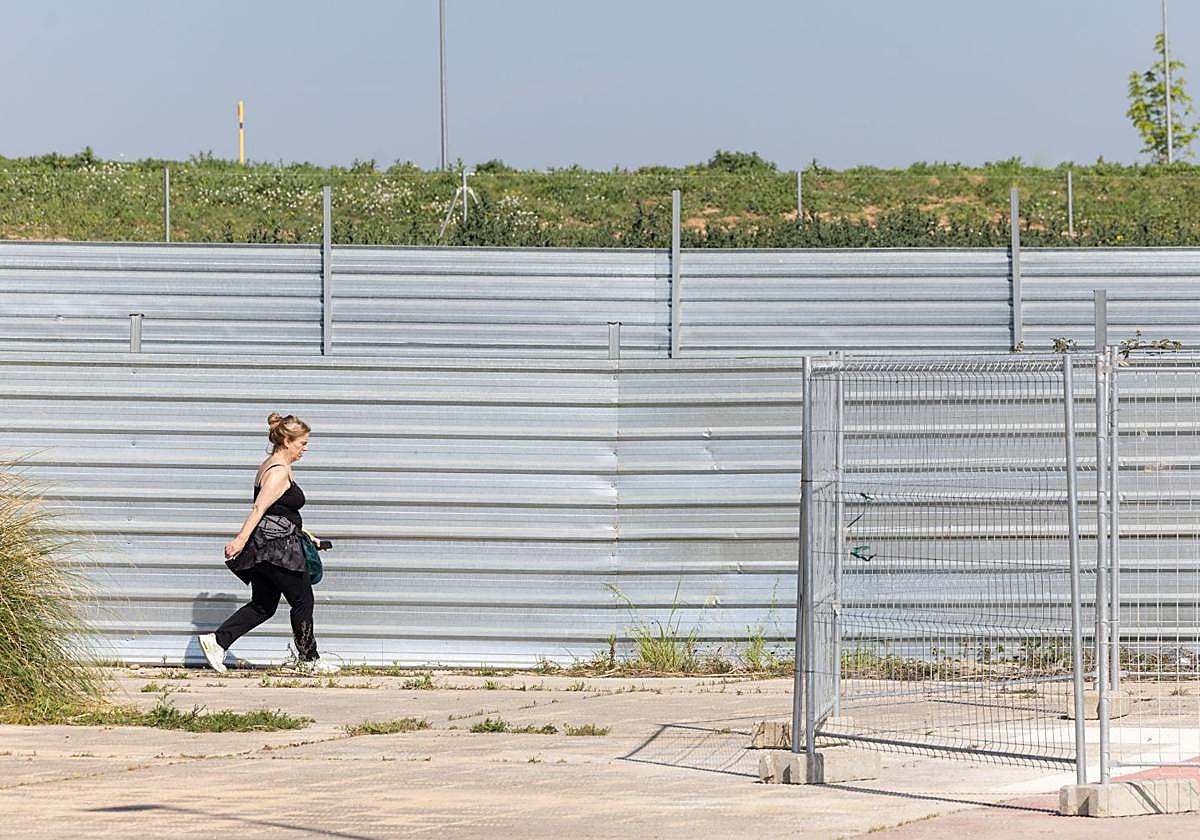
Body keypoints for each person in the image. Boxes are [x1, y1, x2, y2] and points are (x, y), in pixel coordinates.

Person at [196, 412, 339, 675]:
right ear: (286, 440)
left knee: (263, 605)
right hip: (278, 549)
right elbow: (259, 508)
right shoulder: (278, 472)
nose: (305, 449)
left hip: (270, 546)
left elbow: (279, 511)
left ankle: (217, 641)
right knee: (303, 600)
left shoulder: (274, 465)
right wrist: (239, 540)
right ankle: (309, 660)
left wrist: (307, 534)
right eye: (302, 443)